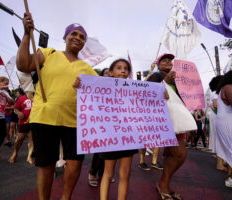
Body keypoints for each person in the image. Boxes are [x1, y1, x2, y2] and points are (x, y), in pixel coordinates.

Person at [16, 13, 98, 200]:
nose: (77, 38)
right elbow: (23, 64)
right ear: (65, 37)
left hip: (76, 122)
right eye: (73, 34)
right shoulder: (48, 53)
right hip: (44, 118)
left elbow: (104, 91)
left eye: (82, 37)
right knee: (47, 165)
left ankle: (65, 198)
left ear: (84, 43)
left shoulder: (87, 68)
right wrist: (27, 35)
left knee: (75, 164)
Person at [74, 58, 136, 200]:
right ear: (111, 72)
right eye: (119, 68)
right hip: (110, 136)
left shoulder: (135, 88)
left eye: (126, 68)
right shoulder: (101, 88)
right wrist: (79, 88)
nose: (123, 70)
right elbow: (88, 102)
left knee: (125, 173)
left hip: (129, 136)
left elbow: (147, 102)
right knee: (108, 173)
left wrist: (162, 96)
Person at [150, 53, 188, 200]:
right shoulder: (156, 77)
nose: (167, 61)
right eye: (163, 60)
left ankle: (164, 184)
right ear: (158, 65)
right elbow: (148, 95)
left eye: (170, 61)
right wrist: (165, 81)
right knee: (179, 154)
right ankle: (163, 184)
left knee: (174, 155)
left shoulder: (178, 81)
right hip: (163, 122)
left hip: (177, 121)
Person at [8, 88, 34, 164]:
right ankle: (15, 153)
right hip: (23, 122)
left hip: (34, 121)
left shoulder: (37, 96)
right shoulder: (22, 98)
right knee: (20, 139)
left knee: (32, 140)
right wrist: (19, 113)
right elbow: (15, 108)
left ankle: (29, 156)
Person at [206, 75, 227, 171]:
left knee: (222, 139)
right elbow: (215, 105)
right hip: (216, 115)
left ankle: (223, 162)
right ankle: (220, 164)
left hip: (218, 115)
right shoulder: (216, 92)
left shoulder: (219, 91)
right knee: (220, 139)